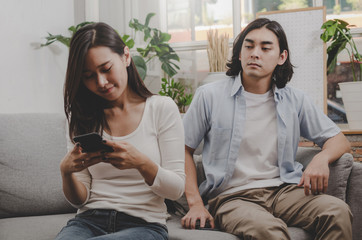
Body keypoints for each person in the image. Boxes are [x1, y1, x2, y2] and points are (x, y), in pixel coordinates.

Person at [181, 18, 352, 239]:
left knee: (337, 212)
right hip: (232, 197)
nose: (255, 53)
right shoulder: (209, 96)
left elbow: (340, 141)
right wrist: (195, 203)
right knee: (269, 231)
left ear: (282, 57)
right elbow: (182, 149)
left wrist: (322, 158)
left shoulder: (295, 100)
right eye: (249, 46)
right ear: (240, 54)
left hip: (285, 191)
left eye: (265, 47)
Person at [56, 22, 185, 240]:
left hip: (145, 225)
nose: (101, 82)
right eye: (88, 76)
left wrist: (141, 163)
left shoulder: (161, 108)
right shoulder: (81, 117)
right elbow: (80, 199)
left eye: (106, 69)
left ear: (126, 56)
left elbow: (176, 190)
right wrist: (66, 172)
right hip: (88, 221)